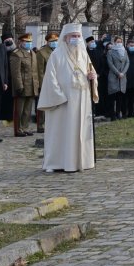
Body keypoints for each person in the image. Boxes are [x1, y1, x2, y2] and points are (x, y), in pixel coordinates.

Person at [37, 22, 97, 173]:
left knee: (81, 131)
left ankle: (82, 161)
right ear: (65, 38)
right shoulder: (56, 55)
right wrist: (59, 97)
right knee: (60, 132)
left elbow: (91, 73)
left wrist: (93, 77)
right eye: (73, 36)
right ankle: (56, 162)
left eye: (78, 36)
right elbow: (50, 80)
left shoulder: (84, 54)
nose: (76, 39)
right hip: (63, 103)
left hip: (81, 100)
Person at [9, 33, 40, 137]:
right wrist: (19, 86)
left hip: (32, 85)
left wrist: (37, 84)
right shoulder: (16, 54)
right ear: (21, 42)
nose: (29, 44)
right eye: (26, 42)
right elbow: (15, 72)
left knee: (27, 109)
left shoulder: (33, 54)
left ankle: (25, 127)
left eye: (30, 42)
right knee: (19, 109)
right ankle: (18, 129)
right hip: (22, 85)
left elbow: (35, 71)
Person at [106, 39, 130, 119]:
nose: (119, 43)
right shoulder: (110, 52)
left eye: (120, 42)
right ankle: (112, 115)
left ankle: (118, 114)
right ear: (114, 42)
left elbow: (127, 62)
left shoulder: (124, 51)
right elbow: (110, 64)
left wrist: (123, 72)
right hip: (113, 76)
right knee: (112, 97)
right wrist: (118, 73)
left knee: (120, 97)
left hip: (122, 77)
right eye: (117, 41)